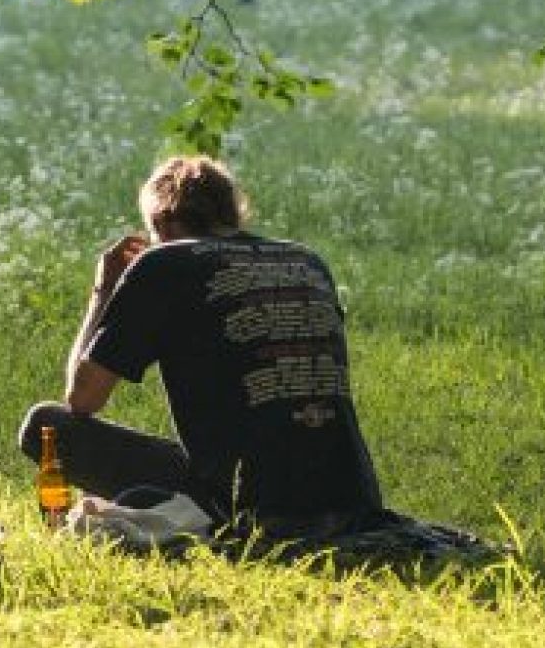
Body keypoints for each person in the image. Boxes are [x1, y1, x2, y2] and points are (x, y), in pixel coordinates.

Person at [20, 156, 388, 550]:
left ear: (161, 223)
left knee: (47, 426)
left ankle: (201, 509)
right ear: (233, 214)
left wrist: (104, 291)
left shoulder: (163, 263)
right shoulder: (307, 260)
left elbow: (82, 398)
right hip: (352, 495)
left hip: (248, 500)